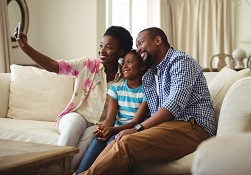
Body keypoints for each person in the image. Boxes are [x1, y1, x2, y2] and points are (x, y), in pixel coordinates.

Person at [80, 27, 217, 175]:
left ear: (157, 40)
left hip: (194, 127)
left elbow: (173, 106)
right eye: (137, 46)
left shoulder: (181, 61)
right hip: (170, 126)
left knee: (127, 144)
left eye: (141, 43)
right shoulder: (151, 73)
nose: (138, 49)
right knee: (117, 141)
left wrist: (137, 128)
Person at [14, 26, 133, 170]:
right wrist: (26, 47)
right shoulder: (87, 65)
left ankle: (57, 171)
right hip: (77, 115)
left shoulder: (126, 77)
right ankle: (54, 168)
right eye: (101, 45)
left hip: (100, 124)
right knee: (74, 125)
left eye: (109, 47)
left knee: (91, 136)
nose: (102, 50)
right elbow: (53, 66)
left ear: (120, 51)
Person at [77, 50, 150, 173]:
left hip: (132, 131)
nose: (125, 66)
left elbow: (136, 121)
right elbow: (110, 119)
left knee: (112, 142)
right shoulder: (115, 88)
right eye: (124, 63)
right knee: (97, 141)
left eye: (130, 62)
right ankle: (80, 172)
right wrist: (103, 130)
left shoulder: (147, 91)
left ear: (142, 66)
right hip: (115, 129)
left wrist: (112, 131)